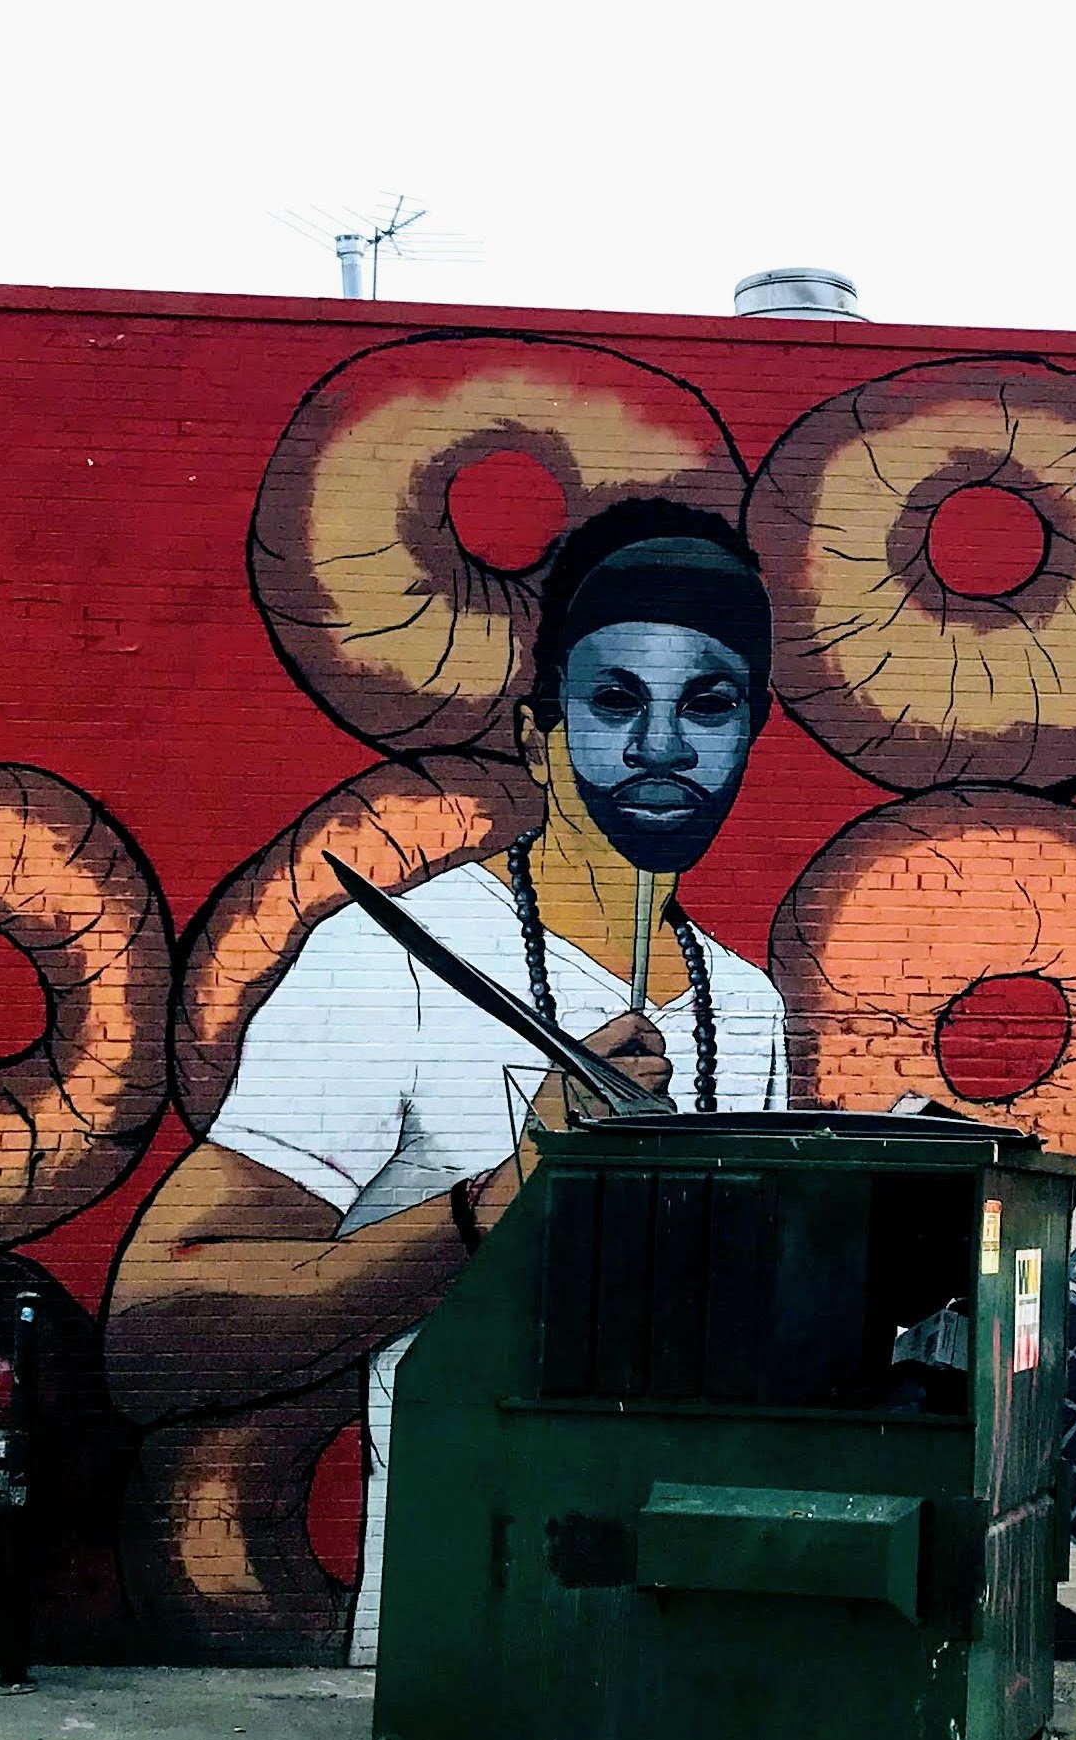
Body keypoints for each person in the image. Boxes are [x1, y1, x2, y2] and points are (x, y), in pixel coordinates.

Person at [106, 500, 789, 1661]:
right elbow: (153, 1326)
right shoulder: (393, 960)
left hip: (674, 1621)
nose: (663, 747)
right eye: (614, 700)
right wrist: (492, 1204)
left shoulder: (748, 1007)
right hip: (456, 1627)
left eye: (709, 703)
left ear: (751, 732)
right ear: (537, 735)